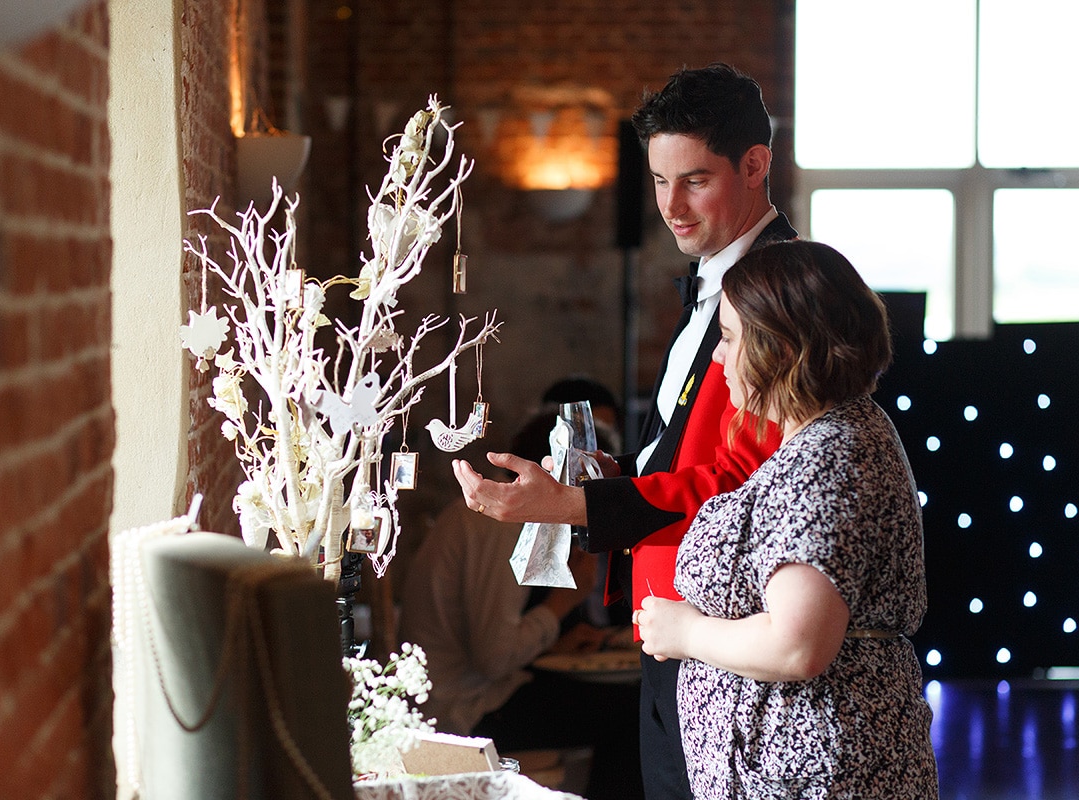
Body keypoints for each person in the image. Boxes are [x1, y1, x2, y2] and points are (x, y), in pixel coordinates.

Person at [451, 63, 796, 798]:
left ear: (755, 165)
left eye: (695, 181)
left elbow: (747, 485)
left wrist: (575, 508)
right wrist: (604, 478)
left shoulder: (782, 295)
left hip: (723, 634)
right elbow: (684, 454)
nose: (671, 206)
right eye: (660, 181)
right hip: (668, 623)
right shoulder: (713, 282)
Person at [636, 239, 939, 798]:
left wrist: (686, 632)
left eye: (728, 338)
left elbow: (798, 644)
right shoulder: (821, 439)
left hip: (819, 775)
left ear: (779, 346)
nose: (718, 358)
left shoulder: (832, 454)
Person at [399, 410, 642, 799]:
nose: (588, 511)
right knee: (633, 712)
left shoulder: (492, 518)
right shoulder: (496, 523)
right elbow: (493, 658)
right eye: (587, 490)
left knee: (622, 703)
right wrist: (566, 600)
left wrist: (554, 639)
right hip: (460, 712)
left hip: (476, 692)